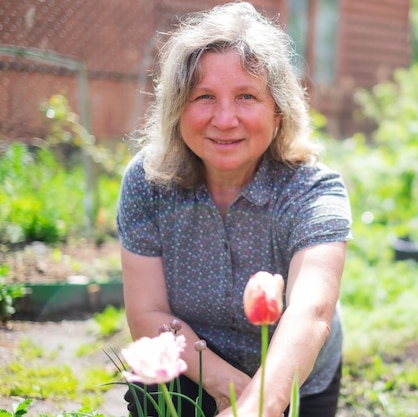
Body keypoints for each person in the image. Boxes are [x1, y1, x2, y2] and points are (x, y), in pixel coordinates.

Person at [115, 2, 352, 417]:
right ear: (177, 109)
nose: (225, 119)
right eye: (204, 97)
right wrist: (233, 388)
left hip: (295, 382)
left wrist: (258, 405)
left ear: (278, 112)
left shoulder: (313, 190)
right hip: (189, 373)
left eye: (246, 96)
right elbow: (146, 311)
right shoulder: (147, 183)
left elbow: (310, 312)